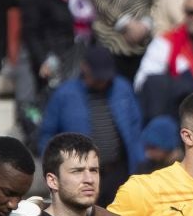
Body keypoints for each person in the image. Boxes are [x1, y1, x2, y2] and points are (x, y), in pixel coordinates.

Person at [44, 44, 148, 200]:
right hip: (80, 176)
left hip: (117, 171)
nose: (102, 81)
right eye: (98, 76)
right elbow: (47, 134)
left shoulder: (122, 88)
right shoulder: (65, 94)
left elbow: (135, 128)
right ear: (85, 68)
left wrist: (140, 164)